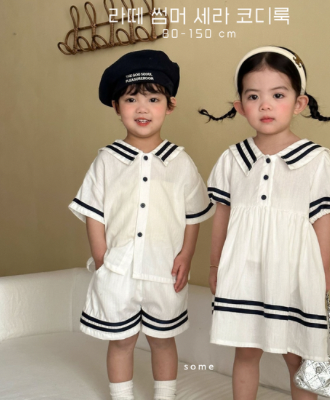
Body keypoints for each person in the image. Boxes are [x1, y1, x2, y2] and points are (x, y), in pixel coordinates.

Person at [200, 46, 330, 400]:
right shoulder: (233, 159)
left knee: (298, 353)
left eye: (278, 95)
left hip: (293, 272)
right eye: (254, 96)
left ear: (299, 103)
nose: (265, 105)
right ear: (240, 106)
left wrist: (323, 269)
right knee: (246, 351)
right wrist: (215, 265)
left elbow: (322, 220)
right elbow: (222, 216)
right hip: (244, 271)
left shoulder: (315, 160)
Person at [69, 50, 214, 400]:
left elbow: (193, 214)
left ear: (170, 105)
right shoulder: (107, 161)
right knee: (121, 341)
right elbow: (94, 213)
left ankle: (166, 396)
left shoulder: (179, 162)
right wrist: (101, 258)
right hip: (118, 269)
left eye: (153, 98)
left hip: (165, 269)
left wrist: (186, 255)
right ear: (116, 107)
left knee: (163, 340)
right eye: (131, 99)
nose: (142, 108)